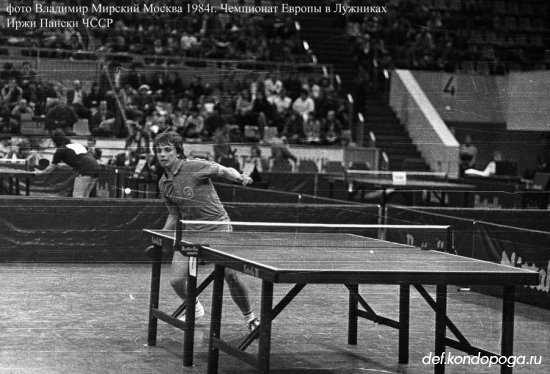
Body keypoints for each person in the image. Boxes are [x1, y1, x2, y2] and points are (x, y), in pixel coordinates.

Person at [153, 131, 259, 330]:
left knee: (231, 275)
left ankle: (250, 317)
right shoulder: (163, 183)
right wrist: (160, 235)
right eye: (159, 151)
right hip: (191, 232)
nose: (162, 155)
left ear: (178, 153)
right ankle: (195, 306)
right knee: (176, 280)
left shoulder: (193, 166)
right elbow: (175, 215)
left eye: (167, 150)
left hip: (217, 227)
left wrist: (240, 177)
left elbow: (224, 170)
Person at [35, 130, 100, 198]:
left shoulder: (60, 150)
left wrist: (41, 172)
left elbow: (51, 167)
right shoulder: (76, 145)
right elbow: (78, 161)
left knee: (77, 196)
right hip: (96, 166)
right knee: (86, 195)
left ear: (55, 141)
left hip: (85, 169)